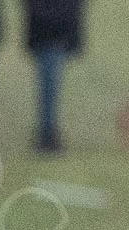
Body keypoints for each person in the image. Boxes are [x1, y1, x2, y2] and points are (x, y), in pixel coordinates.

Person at [24, 0, 86, 154]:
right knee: (49, 85)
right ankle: (47, 135)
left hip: (52, 30)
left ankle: (47, 134)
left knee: (49, 84)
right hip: (50, 32)